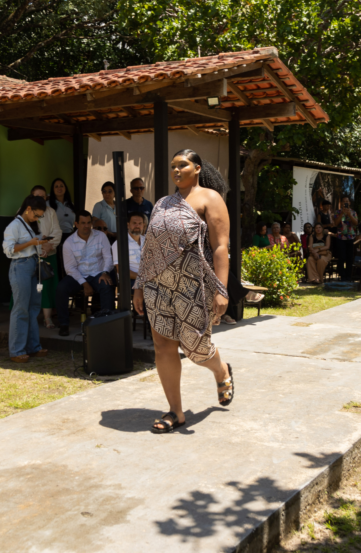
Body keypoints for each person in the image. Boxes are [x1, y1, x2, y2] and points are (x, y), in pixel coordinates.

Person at [133, 148, 234, 432]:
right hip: (157, 285)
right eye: (173, 166)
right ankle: (175, 412)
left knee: (196, 348)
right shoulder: (163, 203)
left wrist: (221, 289)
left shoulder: (210, 199)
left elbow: (220, 247)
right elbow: (149, 249)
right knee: (163, 347)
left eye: (183, 165)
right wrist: (139, 285)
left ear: (198, 168)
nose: (177, 170)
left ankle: (221, 370)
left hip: (193, 286)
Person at [2, 196, 50, 363]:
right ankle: (16, 350)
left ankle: (33, 347)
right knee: (21, 307)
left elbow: (32, 245)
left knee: (33, 308)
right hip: (20, 266)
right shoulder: (14, 226)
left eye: (39, 216)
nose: (37, 218)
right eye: (36, 215)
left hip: (33, 264)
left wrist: (40, 248)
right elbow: (8, 250)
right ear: (28, 209)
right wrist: (30, 243)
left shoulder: (30, 225)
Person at [56, 211, 115, 336]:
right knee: (61, 288)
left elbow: (108, 258)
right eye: (83, 223)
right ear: (76, 224)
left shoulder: (100, 236)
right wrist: (84, 284)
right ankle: (64, 324)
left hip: (98, 272)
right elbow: (70, 268)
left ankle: (107, 324)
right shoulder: (69, 242)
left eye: (89, 223)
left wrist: (105, 272)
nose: (86, 226)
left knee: (107, 285)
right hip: (78, 274)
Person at [31, 185, 62, 330]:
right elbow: (24, 236)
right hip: (30, 256)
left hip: (49, 255)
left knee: (48, 287)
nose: (40, 199)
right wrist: (39, 248)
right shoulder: (24, 211)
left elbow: (57, 231)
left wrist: (50, 246)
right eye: (37, 196)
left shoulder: (51, 212)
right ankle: (26, 318)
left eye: (43, 196)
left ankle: (48, 318)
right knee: (29, 287)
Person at [330, 196, 359, 279]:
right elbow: (336, 224)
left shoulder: (353, 212)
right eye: (343, 201)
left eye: (347, 201)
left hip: (350, 237)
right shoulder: (337, 212)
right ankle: (342, 275)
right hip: (340, 237)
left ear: (349, 203)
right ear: (341, 203)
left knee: (350, 257)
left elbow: (356, 223)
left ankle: (349, 275)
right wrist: (342, 213)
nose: (345, 203)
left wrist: (349, 214)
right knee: (341, 257)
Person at [113, 212, 147, 282]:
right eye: (134, 223)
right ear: (128, 225)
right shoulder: (120, 243)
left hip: (148, 279)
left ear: (143, 226)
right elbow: (121, 270)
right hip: (129, 281)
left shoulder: (148, 241)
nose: (137, 226)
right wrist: (142, 278)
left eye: (140, 223)